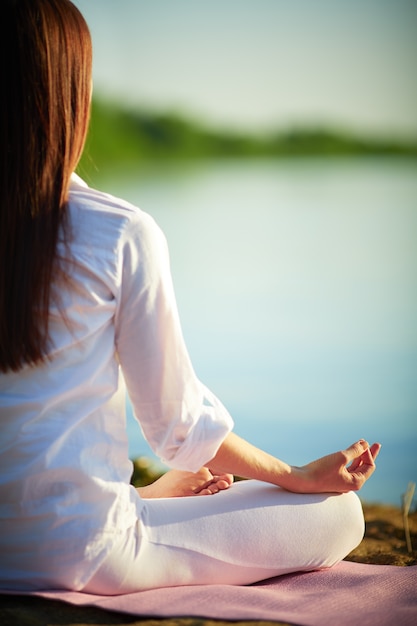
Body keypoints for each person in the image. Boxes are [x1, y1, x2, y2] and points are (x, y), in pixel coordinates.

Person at [0, 0, 381, 594]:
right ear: (67, 97)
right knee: (340, 514)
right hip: (81, 553)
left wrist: (144, 495)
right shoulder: (117, 233)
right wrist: (297, 475)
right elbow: (178, 430)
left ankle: (141, 501)